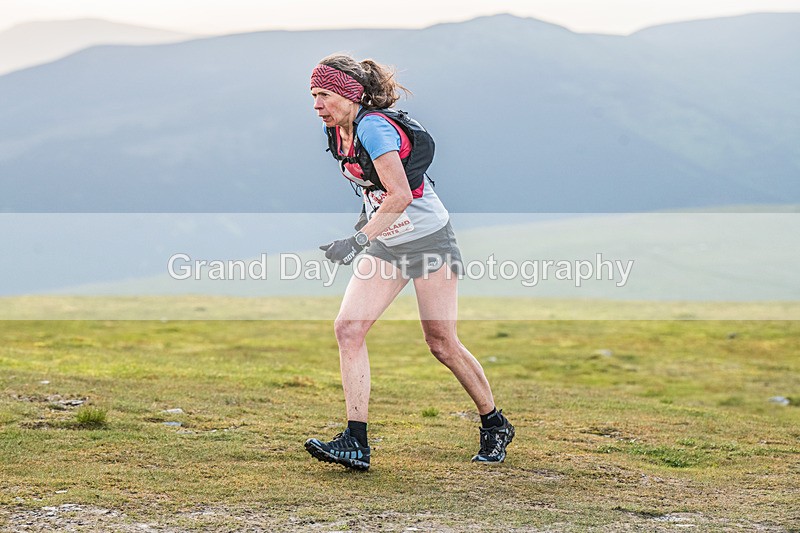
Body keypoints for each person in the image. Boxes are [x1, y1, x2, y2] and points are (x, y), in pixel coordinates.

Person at [304, 54, 514, 471]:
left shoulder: (374, 128)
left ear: (348, 93)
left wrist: (357, 240)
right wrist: (364, 229)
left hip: (430, 242)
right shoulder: (339, 133)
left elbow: (400, 195)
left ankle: (494, 423)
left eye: (324, 94)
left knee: (441, 342)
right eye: (313, 96)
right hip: (389, 244)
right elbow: (375, 192)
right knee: (349, 328)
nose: (316, 105)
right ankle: (355, 440)